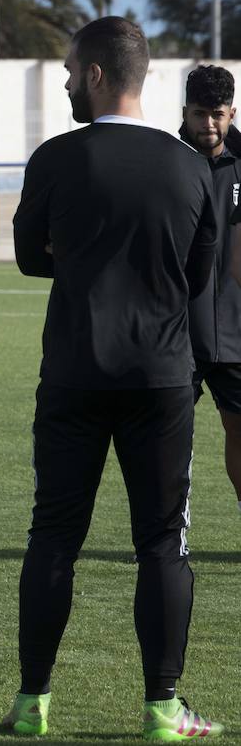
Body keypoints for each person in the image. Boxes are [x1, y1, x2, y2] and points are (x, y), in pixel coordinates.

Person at [7, 16, 222, 739]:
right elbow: (198, 276)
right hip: (161, 379)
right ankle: (163, 706)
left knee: (54, 536)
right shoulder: (191, 166)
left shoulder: (56, 159)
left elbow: (31, 258)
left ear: (97, 73)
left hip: (73, 371)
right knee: (162, 543)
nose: (66, 80)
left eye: (70, 69)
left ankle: (33, 701)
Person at [180, 65, 241, 516]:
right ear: (186, 111)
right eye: (200, 114)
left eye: (217, 114)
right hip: (177, 331)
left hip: (238, 333)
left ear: (232, 112)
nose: (209, 125)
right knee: (168, 434)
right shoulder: (165, 160)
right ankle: (167, 525)